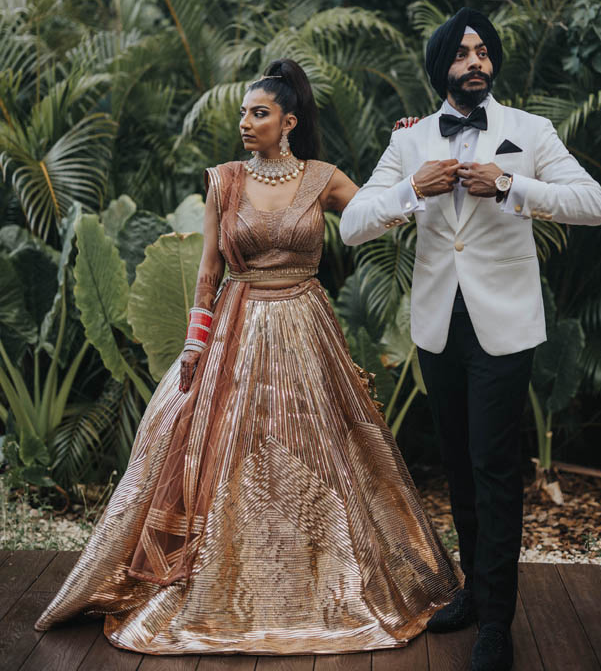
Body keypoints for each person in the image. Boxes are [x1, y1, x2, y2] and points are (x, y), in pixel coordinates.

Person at [35, 57, 460, 655]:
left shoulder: (323, 178)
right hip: (234, 331)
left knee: (324, 452)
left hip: (306, 330)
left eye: (258, 113)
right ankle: (215, 585)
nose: (245, 122)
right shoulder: (225, 179)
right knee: (211, 450)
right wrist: (193, 340)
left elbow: (377, 220)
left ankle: (325, 585)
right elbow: (209, 271)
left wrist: (408, 155)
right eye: (243, 112)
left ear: (288, 122)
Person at [339, 9, 601, 671]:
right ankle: (469, 591)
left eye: (483, 51)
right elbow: (350, 225)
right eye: (462, 53)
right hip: (438, 324)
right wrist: (411, 189)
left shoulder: (528, 130)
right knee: (458, 464)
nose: (476, 61)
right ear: (441, 67)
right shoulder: (409, 139)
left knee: (492, 467)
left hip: (503, 323)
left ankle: (495, 621)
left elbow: (593, 203)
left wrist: (510, 184)